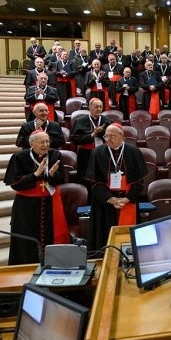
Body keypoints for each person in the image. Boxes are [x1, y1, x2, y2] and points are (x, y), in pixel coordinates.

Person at [3, 131, 69, 265]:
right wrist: (35, 175)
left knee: (51, 235)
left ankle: (52, 264)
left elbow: (62, 178)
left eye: (47, 141)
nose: (46, 145)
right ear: (31, 143)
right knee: (26, 239)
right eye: (41, 142)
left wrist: (52, 175)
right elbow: (14, 183)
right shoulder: (19, 157)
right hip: (26, 206)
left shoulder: (55, 155)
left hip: (50, 204)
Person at [85, 123, 147, 251]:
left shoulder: (133, 151)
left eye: (112, 136)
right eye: (106, 136)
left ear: (122, 136)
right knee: (104, 236)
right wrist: (110, 199)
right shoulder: (97, 152)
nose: (107, 139)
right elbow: (94, 182)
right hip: (104, 204)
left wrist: (128, 198)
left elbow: (140, 181)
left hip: (128, 201)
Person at [71, 98, 111, 179]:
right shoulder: (80, 121)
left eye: (100, 107)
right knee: (85, 177)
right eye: (96, 107)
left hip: (103, 153)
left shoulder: (107, 121)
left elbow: (112, 138)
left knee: (102, 177)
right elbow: (75, 139)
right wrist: (92, 135)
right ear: (89, 107)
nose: (99, 109)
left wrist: (101, 133)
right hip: (86, 154)